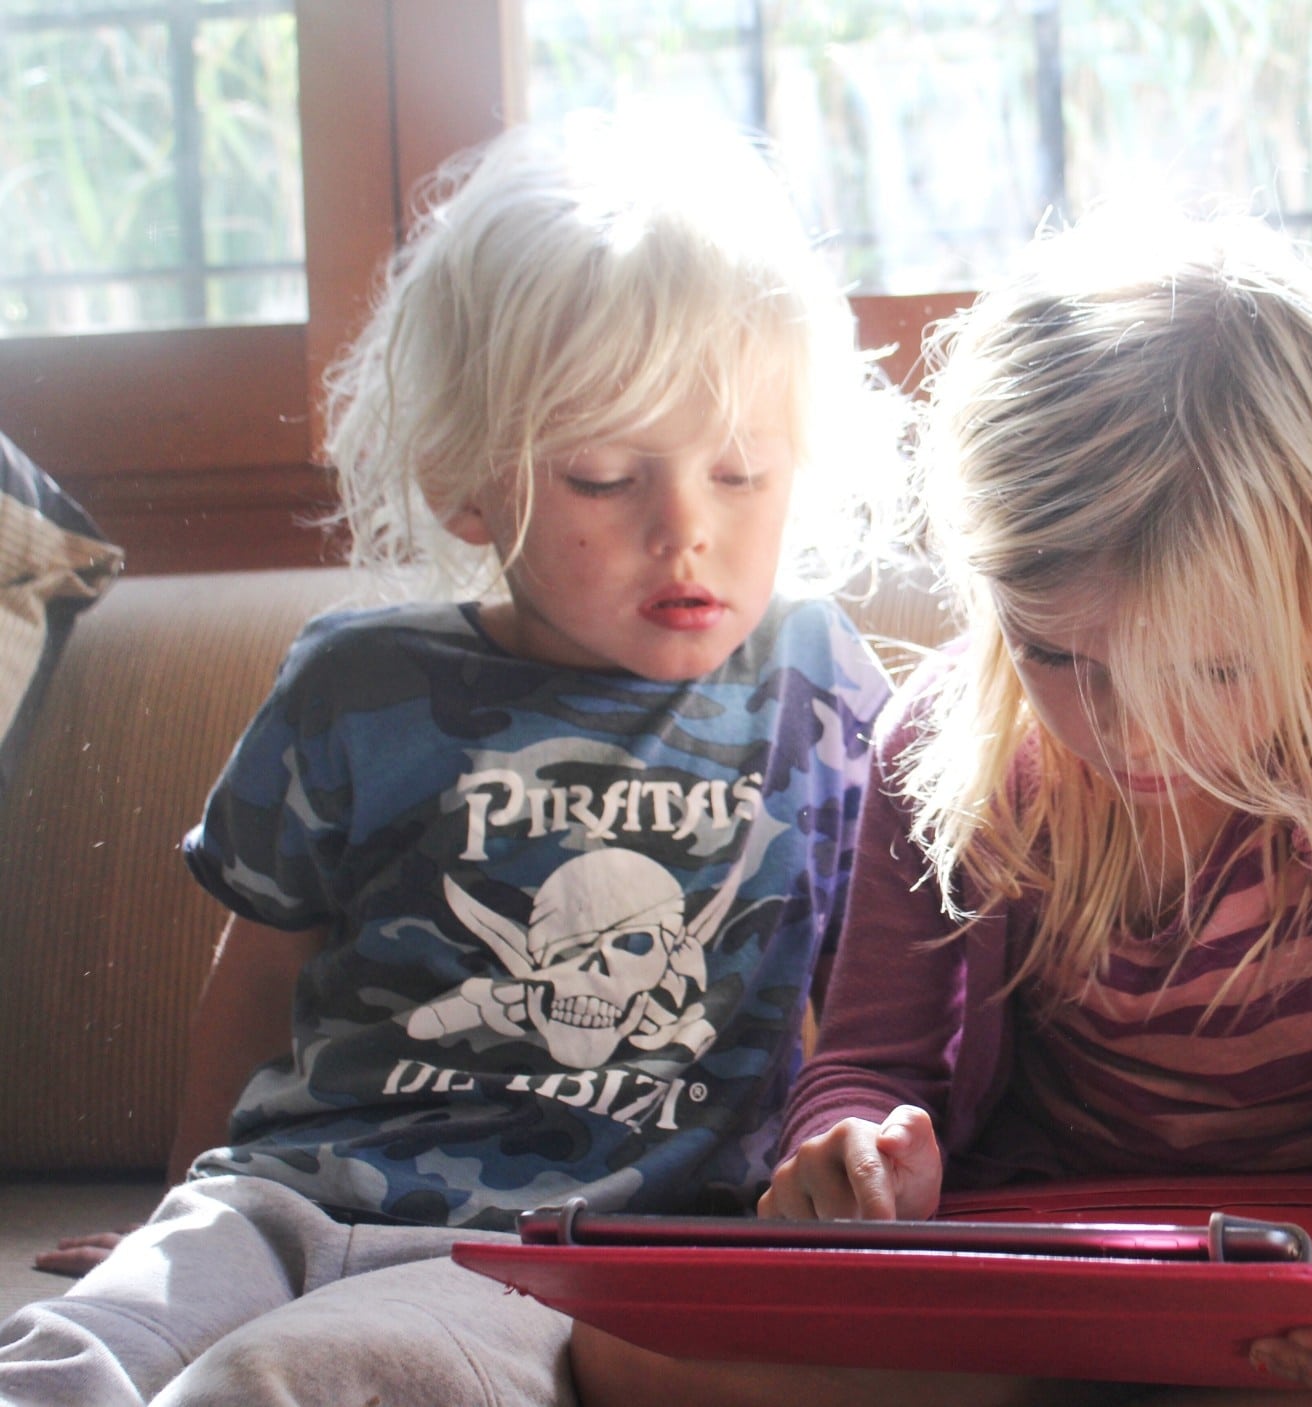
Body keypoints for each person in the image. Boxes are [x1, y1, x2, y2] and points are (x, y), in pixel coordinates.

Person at [570, 210, 1312, 1407]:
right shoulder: (947, 743)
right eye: (1057, 656)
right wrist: (858, 1153)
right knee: (626, 1346)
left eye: (1212, 670)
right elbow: (872, 1059)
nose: (1128, 732)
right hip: (1039, 1274)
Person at [0, 112, 899, 1407]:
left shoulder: (809, 683)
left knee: (290, 1378)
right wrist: (172, 1208)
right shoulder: (355, 682)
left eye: (741, 471)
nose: (685, 529)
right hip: (277, 1197)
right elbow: (260, 971)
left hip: (567, 1250)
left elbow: (880, 989)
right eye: (604, 475)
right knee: (61, 1353)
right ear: (467, 483)